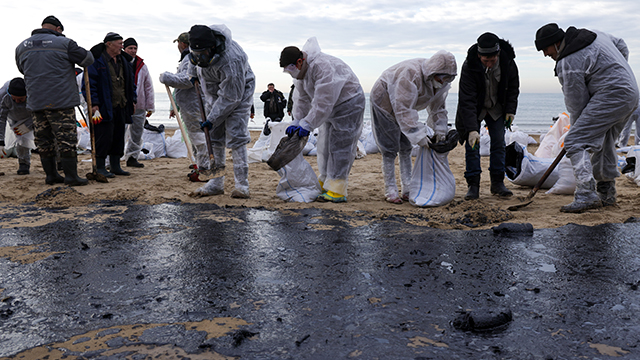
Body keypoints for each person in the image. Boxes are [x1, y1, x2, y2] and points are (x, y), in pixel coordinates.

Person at [535, 24, 639, 212]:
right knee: (605, 141)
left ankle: (586, 194)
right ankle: (606, 194)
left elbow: (577, 105)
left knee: (575, 141)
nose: (545, 54)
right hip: (630, 93)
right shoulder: (594, 35)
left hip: (611, 95)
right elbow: (622, 45)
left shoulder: (568, 62)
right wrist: (619, 71)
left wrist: (577, 133)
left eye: (546, 49)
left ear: (556, 43)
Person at [279, 37, 365, 203]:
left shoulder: (321, 66)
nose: (290, 73)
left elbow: (323, 102)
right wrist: (297, 120)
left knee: (340, 145)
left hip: (349, 102)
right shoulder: (301, 75)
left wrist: (308, 123)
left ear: (299, 61)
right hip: (332, 106)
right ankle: (326, 178)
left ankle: (338, 188)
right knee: (324, 144)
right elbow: (302, 99)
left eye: (291, 68)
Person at [15, 15, 94, 186]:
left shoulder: (21, 47)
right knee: (66, 138)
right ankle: (71, 176)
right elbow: (88, 59)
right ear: (58, 29)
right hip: (61, 101)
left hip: (36, 101)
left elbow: (22, 69)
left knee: (44, 140)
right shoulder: (65, 43)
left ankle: (51, 176)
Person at [370, 50, 457, 204]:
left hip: (405, 106)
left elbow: (438, 109)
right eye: (442, 77)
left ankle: (408, 187)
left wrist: (440, 131)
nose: (444, 81)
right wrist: (419, 135)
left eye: (449, 78)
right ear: (432, 73)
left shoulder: (441, 83)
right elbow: (403, 109)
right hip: (383, 102)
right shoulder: (410, 74)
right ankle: (390, 189)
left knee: (405, 147)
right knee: (389, 148)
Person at [187, 24, 255, 199]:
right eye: (197, 53)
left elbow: (230, 97)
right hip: (213, 94)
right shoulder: (196, 47)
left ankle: (242, 185)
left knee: (236, 136)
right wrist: (192, 73)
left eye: (203, 53)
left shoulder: (233, 59)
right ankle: (216, 182)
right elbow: (192, 60)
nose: (199, 57)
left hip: (238, 93)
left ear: (212, 48)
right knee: (214, 137)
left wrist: (212, 117)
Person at [455, 32, 519, 200]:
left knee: (498, 143)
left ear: (498, 54)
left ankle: (497, 183)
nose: (489, 64)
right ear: (479, 55)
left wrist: (510, 110)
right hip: (474, 109)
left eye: (493, 60)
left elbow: (513, 89)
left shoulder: (508, 63)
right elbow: (466, 100)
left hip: (497, 108)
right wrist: (471, 129)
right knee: (472, 145)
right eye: (485, 61)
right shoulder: (469, 66)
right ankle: (473, 185)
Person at [83, 32, 137, 178]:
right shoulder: (97, 60)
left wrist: (133, 100)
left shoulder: (124, 61)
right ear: (109, 44)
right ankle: (100, 166)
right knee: (103, 136)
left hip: (121, 105)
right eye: (120, 43)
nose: (122, 46)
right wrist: (94, 103)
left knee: (119, 135)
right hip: (103, 106)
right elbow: (89, 84)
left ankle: (115, 166)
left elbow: (131, 83)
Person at [159, 31, 210, 172]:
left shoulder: (189, 58)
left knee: (199, 137)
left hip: (194, 104)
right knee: (198, 137)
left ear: (182, 44)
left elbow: (187, 79)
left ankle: (204, 168)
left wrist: (166, 77)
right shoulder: (192, 57)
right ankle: (202, 165)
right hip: (193, 103)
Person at [122, 37, 154, 168]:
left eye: (135, 48)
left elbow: (148, 86)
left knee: (137, 132)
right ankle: (112, 158)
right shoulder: (119, 62)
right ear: (124, 49)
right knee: (119, 131)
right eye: (130, 48)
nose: (133, 51)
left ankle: (132, 157)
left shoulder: (142, 65)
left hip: (139, 104)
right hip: (122, 103)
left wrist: (150, 106)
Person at [0, 78, 34, 175]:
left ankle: (57, 161)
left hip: (31, 116)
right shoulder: (3, 96)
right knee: (20, 139)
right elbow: (1, 119)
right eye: (14, 99)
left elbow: (41, 112)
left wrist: (28, 125)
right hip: (13, 117)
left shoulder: (34, 95)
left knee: (44, 136)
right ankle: (23, 164)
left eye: (21, 99)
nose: (17, 101)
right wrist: (1, 141)